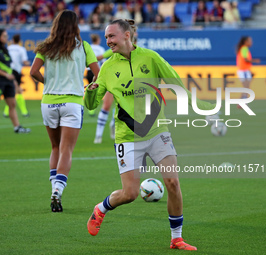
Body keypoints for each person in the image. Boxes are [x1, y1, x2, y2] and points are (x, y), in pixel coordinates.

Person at [85, 19, 214, 251]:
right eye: (106, 38)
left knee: (173, 183)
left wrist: (205, 110)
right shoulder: (106, 68)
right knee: (130, 193)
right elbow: (93, 105)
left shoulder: (151, 58)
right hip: (127, 136)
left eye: (112, 36)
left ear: (127, 35)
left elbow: (177, 85)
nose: (108, 41)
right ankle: (101, 209)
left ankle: (177, 238)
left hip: (157, 131)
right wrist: (90, 92)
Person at [30, 10, 100, 212]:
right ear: (75, 26)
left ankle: (54, 188)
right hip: (72, 102)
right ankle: (58, 191)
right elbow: (98, 73)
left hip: (49, 102)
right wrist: (90, 86)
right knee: (66, 149)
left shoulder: (46, 47)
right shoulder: (83, 47)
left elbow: (33, 71)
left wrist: (47, 82)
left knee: (55, 147)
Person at [93, 19, 137, 144]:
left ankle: (114, 124)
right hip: (112, 76)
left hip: (127, 79)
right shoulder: (114, 49)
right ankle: (98, 135)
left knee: (123, 105)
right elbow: (101, 57)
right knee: (106, 105)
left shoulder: (137, 51)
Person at [0, 29, 31, 135]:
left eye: (7, 36)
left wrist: (12, 79)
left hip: (8, 81)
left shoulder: (5, 49)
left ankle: (17, 127)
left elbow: (9, 66)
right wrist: (6, 75)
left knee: (12, 104)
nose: (7, 37)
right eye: (4, 36)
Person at [3, 34, 30, 118]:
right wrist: (29, 64)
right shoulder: (21, 49)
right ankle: (23, 112)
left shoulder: (8, 48)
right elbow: (25, 61)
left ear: (12, 40)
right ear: (19, 41)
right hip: (16, 72)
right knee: (17, 91)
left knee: (14, 91)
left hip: (8, 71)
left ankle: (7, 112)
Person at [236, 36, 260, 106]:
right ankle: (242, 102)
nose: (251, 42)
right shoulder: (244, 48)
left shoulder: (244, 48)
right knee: (246, 87)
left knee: (246, 87)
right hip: (243, 71)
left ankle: (241, 102)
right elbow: (245, 59)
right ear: (246, 42)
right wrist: (255, 60)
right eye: (250, 41)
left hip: (245, 70)